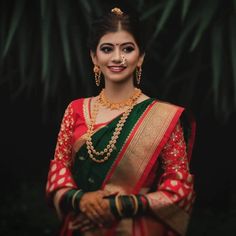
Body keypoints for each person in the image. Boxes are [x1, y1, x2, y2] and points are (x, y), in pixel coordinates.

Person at [45, 7, 196, 236]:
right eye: (107, 49)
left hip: (136, 228)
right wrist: (81, 200)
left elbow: (180, 189)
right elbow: (58, 172)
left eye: (127, 48)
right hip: (81, 227)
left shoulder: (163, 117)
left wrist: (118, 206)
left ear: (141, 57)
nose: (117, 57)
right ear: (94, 56)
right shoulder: (75, 109)